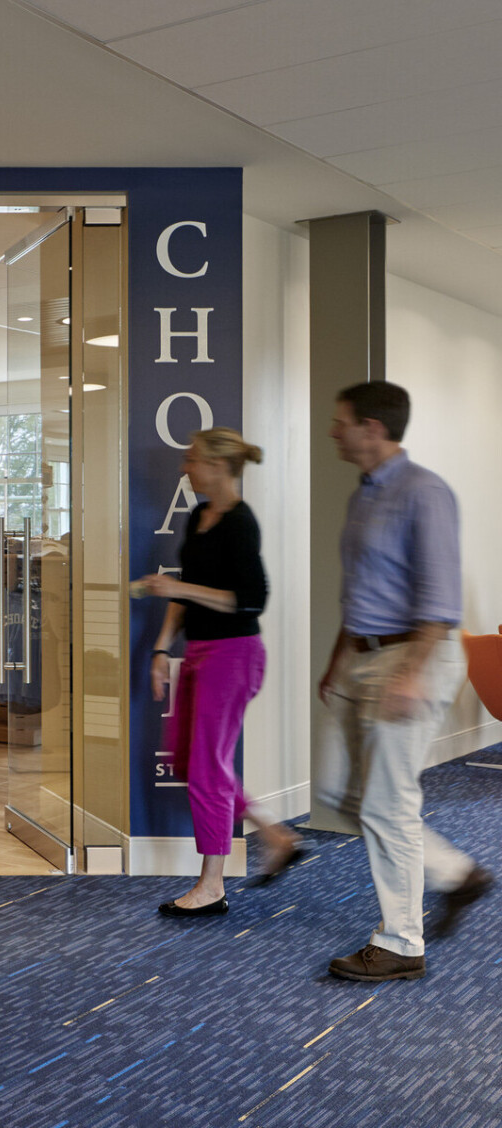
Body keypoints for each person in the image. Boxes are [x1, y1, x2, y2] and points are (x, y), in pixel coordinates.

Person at [317, 381, 491, 981]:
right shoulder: (363, 495)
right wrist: (339, 658)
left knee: (388, 804)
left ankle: (401, 943)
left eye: (341, 422)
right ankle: (457, 876)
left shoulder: (425, 493)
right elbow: (362, 588)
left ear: (372, 427)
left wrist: (410, 675)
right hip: (365, 657)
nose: (334, 430)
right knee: (347, 793)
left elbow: (439, 605)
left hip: (413, 657)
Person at [138, 428, 303, 917]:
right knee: (189, 761)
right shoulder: (198, 517)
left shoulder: (239, 522)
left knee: (208, 770)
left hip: (234, 655)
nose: (185, 468)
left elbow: (250, 599)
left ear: (217, 466)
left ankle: (211, 885)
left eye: (192, 460)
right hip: (201, 652)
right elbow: (187, 587)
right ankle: (275, 835)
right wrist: (162, 649)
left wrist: (179, 592)